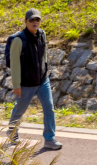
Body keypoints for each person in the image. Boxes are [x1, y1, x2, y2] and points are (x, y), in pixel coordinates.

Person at [6, 8, 62, 151]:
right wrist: (16, 85)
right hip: (26, 84)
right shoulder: (19, 40)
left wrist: (45, 70)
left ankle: (50, 139)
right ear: (25, 21)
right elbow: (14, 64)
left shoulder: (42, 34)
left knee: (49, 108)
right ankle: (12, 132)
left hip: (42, 80)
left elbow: (44, 55)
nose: (35, 22)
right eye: (31, 20)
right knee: (20, 109)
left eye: (37, 19)